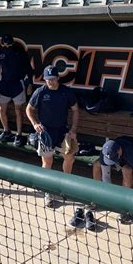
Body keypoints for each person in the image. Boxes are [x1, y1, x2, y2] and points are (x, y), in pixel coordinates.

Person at [26, 65, 79, 209]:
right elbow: (29, 109)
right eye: (48, 79)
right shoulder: (40, 92)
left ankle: (65, 186)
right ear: (44, 79)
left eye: (53, 79)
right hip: (46, 132)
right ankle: (47, 192)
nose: (51, 82)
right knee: (47, 162)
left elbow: (75, 110)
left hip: (63, 131)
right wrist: (35, 123)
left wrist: (73, 129)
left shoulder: (66, 92)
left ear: (58, 78)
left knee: (69, 157)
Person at [0, 34, 34, 146]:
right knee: (1, 109)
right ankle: (6, 131)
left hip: (17, 84)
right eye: (4, 44)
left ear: (12, 43)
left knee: (18, 110)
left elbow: (28, 67)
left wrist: (30, 83)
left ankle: (19, 135)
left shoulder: (19, 51)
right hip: (4, 83)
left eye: (8, 44)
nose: (6, 46)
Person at [93, 136, 133, 224]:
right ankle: (98, 196)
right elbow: (106, 177)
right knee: (97, 164)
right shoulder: (104, 152)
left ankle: (125, 203)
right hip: (121, 159)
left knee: (126, 169)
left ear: (119, 151)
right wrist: (107, 196)